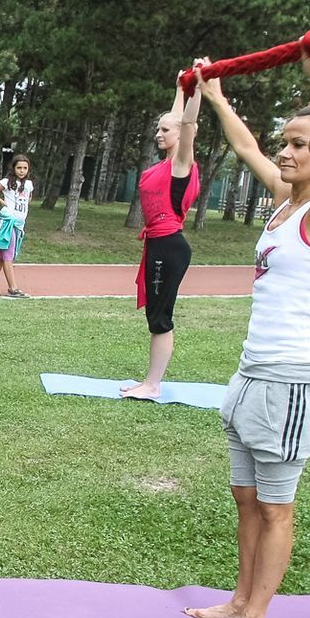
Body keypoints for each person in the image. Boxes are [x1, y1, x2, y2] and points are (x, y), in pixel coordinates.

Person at [186, 17, 310, 618]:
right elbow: (245, 149)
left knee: (275, 509)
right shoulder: (285, 202)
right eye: (283, 144)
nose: (285, 153)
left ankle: (257, 617)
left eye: (298, 146)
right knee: (244, 498)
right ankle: (238, 599)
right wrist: (215, 96)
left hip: (293, 382)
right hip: (251, 375)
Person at [120, 86, 204, 399]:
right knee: (155, 315)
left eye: (165, 129)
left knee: (160, 318)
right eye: (158, 127)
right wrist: (183, 87)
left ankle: (152, 386)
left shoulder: (180, 165)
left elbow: (188, 125)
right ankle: (150, 381)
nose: (159, 132)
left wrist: (200, 85)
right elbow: (179, 119)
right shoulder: (163, 165)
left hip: (168, 246)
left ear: (180, 134)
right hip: (159, 244)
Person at [0, 154, 34, 298]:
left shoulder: (28, 185)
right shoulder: (7, 182)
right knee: (8, 255)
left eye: (24, 168)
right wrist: (1, 201)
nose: (22, 171)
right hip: (8, 222)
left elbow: (28, 200)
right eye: (19, 168)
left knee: (1, 255)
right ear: (14, 168)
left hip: (19, 225)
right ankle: (13, 288)